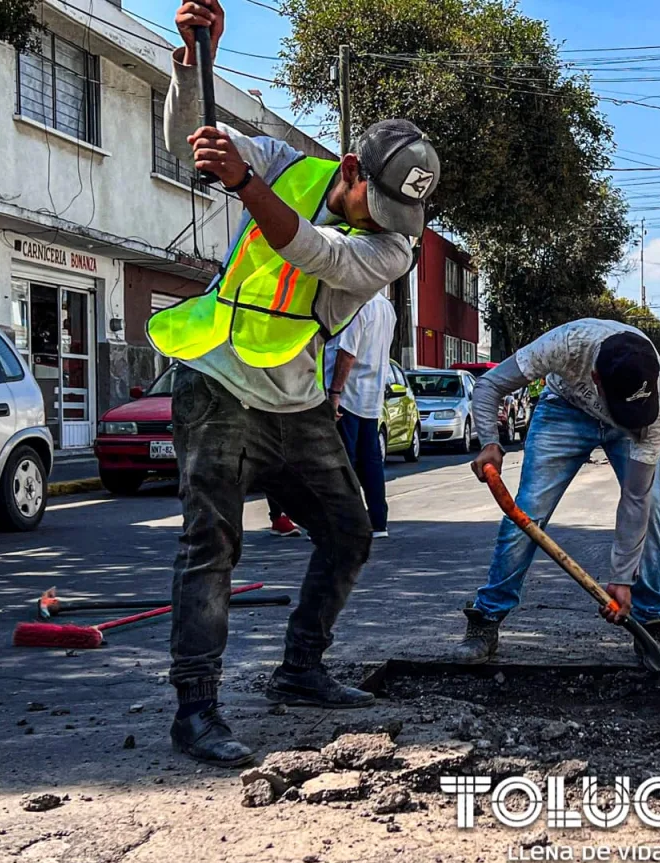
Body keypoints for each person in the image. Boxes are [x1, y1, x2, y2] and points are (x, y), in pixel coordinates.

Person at [146, 0, 440, 766]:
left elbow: (317, 255)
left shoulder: (389, 252)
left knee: (348, 529)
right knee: (211, 542)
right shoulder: (287, 164)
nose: (385, 223)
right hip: (217, 383)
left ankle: (300, 670)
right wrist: (195, 59)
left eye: (398, 215)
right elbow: (199, 142)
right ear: (349, 170)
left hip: (297, 400)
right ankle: (196, 710)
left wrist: (244, 185)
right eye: (376, 204)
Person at [453, 320, 660, 663]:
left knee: (653, 511)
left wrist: (621, 578)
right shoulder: (567, 344)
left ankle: (648, 626)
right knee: (528, 512)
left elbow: (636, 498)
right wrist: (489, 442)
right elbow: (489, 385)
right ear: (596, 379)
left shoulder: (656, 403)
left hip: (634, 428)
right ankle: (487, 618)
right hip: (565, 409)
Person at [325, 293, 398, 538]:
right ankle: (378, 521)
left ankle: (345, 521)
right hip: (371, 396)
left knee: (342, 462)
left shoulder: (356, 305)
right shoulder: (386, 307)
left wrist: (335, 392)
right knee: (371, 462)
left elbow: (347, 352)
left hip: (349, 394)